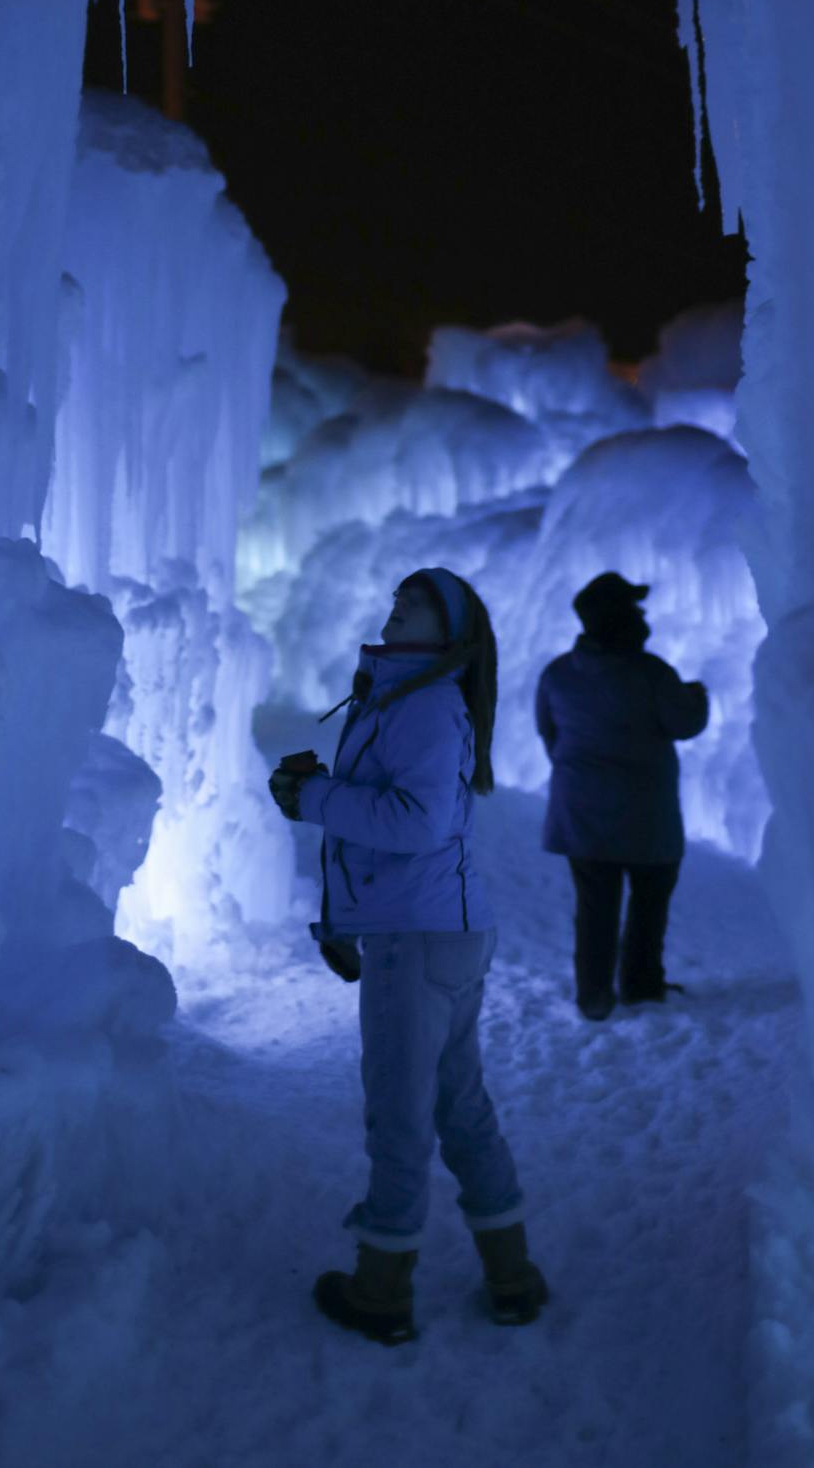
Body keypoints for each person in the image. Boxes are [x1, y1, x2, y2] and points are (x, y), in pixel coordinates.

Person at [267, 566, 547, 1345]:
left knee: (400, 1114)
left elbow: (415, 824)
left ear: (449, 627)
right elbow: (404, 823)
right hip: (437, 933)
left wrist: (314, 799)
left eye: (415, 600)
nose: (395, 605)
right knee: (459, 1108)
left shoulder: (420, 703)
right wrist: (338, 922)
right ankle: (512, 1276)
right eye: (395, 594)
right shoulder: (408, 696)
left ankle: (382, 1292)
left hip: (416, 943)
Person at [536, 572, 710, 1021]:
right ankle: (640, 986)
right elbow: (685, 723)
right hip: (645, 814)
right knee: (649, 902)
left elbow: (549, 735)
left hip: (581, 814)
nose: (642, 615)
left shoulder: (557, 673)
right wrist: (698, 694)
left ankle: (593, 995)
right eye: (634, 609)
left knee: (594, 907)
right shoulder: (650, 672)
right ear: (621, 619)